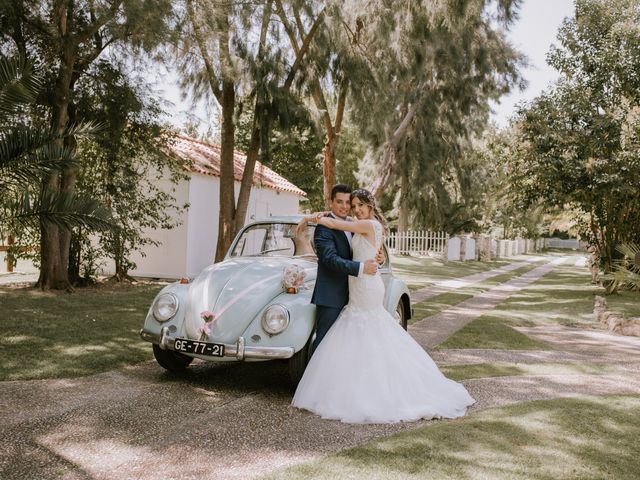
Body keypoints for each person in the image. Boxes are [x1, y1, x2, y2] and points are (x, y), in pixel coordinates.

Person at [292, 188, 475, 424]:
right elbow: (337, 246)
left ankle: (369, 392)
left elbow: (337, 225)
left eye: (358, 205)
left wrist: (309, 218)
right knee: (346, 339)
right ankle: (347, 386)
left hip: (366, 287)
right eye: (351, 205)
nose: (353, 209)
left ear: (370, 206)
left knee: (368, 334)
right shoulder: (357, 223)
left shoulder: (365, 225)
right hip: (351, 288)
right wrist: (310, 218)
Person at [301, 184, 379, 353]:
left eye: (347, 203)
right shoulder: (324, 227)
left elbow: (368, 248)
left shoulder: (354, 225)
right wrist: (361, 267)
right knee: (324, 343)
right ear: (331, 202)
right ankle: (316, 379)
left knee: (347, 346)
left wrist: (380, 257)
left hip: (356, 295)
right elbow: (329, 259)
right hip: (331, 295)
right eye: (339, 202)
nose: (345, 207)